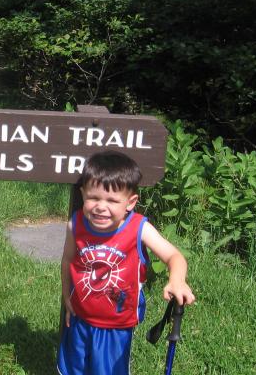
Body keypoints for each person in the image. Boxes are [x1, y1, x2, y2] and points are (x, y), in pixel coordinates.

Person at [57, 150, 195, 375]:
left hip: (117, 325)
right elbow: (68, 260)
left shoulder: (139, 228)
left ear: (130, 203)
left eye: (112, 200)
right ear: (83, 194)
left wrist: (177, 281)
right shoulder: (76, 225)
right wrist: (66, 296)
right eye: (93, 198)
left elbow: (174, 256)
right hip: (80, 318)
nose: (101, 206)